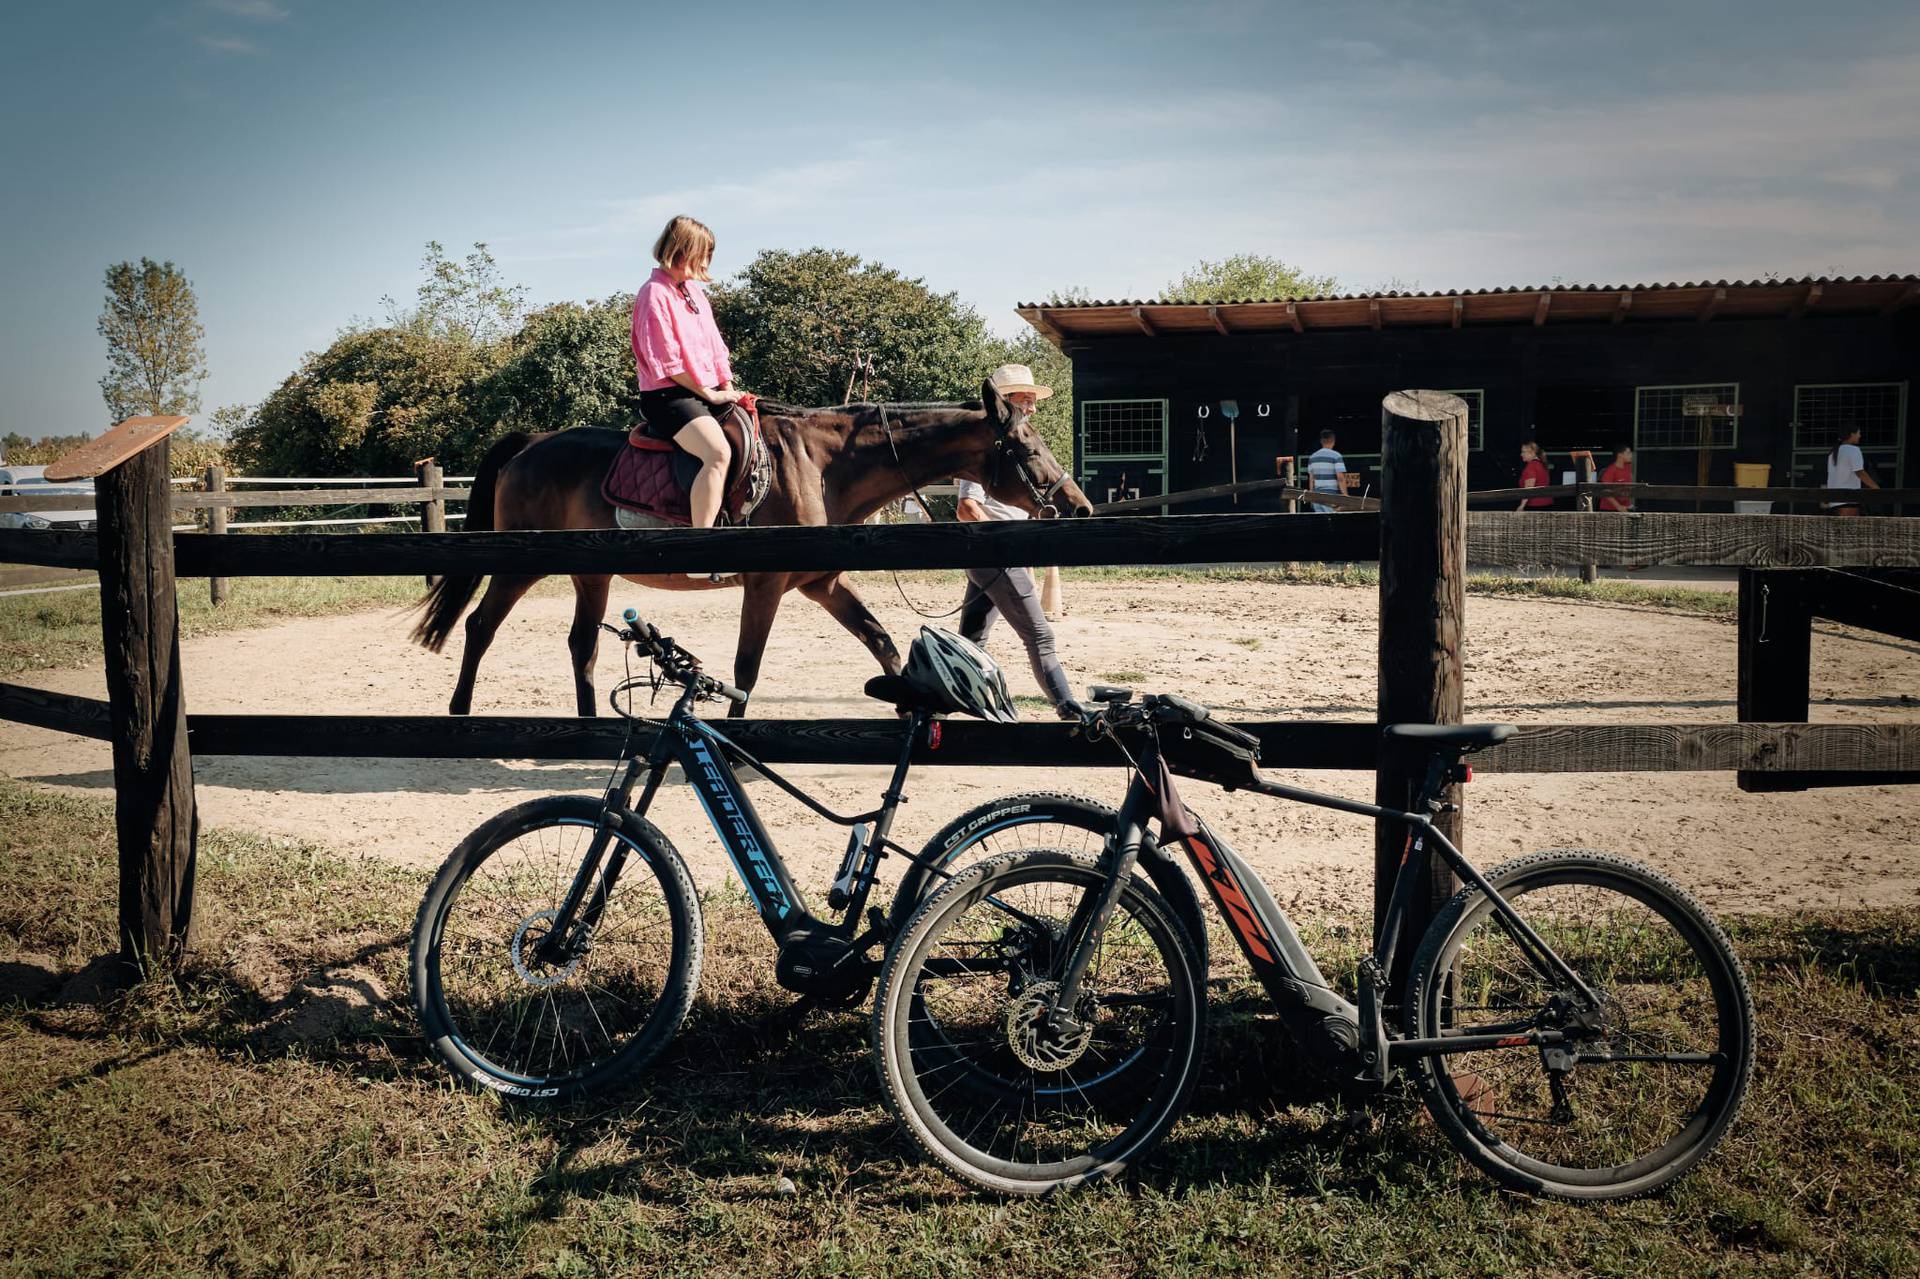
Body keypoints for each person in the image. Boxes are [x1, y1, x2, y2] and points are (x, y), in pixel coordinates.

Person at [955, 364, 1082, 720]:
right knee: (1040, 636)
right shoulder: (986, 448)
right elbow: (967, 508)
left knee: (972, 639)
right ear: (1006, 403)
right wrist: (1005, 544)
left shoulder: (1014, 447)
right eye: (1026, 400)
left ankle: (932, 703)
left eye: (1033, 401)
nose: (1033, 408)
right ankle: (1068, 707)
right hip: (997, 555)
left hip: (998, 554)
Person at [631, 215, 744, 534]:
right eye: (704, 252)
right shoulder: (654, 293)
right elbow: (666, 361)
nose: (707, 261)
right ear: (683, 250)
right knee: (717, 453)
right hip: (669, 397)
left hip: (706, 392)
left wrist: (728, 387)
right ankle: (699, 550)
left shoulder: (693, 293)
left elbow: (715, 345)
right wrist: (709, 394)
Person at [1825, 426, 1879, 517]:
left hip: (1834, 500)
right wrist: (1875, 487)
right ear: (1852, 434)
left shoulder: (1833, 453)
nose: (1860, 436)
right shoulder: (1853, 450)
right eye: (1858, 433)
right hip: (1849, 498)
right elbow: (1860, 472)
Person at [1306, 430, 1345, 514]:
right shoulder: (1336, 456)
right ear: (1333, 440)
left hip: (1316, 496)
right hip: (1331, 496)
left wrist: (1311, 497)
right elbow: (1340, 478)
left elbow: (1311, 479)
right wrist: (1345, 496)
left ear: (1321, 441)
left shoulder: (1312, 457)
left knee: (1321, 524)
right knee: (1332, 522)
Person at [1516, 439, 1553, 511]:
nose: (1521, 454)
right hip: (1547, 504)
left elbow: (1529, 488)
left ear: (1532, 453)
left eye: (1523, 452)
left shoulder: (1532, 466)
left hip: (1535, 506)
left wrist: (1521, 506)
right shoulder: (1542, 464)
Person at [1598, 443, 1634, 512]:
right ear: (1620, 454)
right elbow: (1605, 491)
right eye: (1628, 453)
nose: (1631, 455)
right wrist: (1618, 507)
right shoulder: (1610, 470)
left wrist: (1628, 506)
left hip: (1625, 509)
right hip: (1609, 510)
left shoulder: (1628, 469)